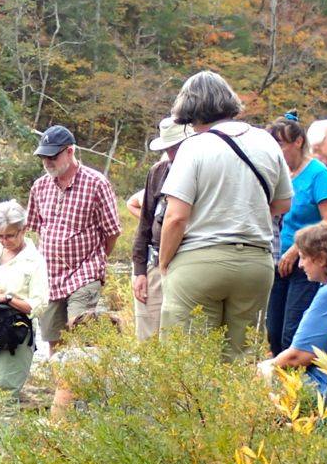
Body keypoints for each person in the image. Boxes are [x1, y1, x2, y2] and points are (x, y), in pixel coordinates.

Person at [157, 71, 293, 360]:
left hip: (200, 261)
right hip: (256, 263)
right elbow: (283, 203)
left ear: (190, 112)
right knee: (243, 358)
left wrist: (164, 262)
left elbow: (176, 217)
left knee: (189, 361)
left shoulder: (194, 147)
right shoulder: (266, 141)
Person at [26, 125, 122, 351]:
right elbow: (33, 229)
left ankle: (84, 382)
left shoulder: (96, 183)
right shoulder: (39, 187)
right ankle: (62, 386)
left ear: (70, 151)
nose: (47, 162)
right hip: (49, 276)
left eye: (52, 156)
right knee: (54, 340)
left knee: (80, 331)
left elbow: (112, 232)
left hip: (84, 273)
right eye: (43, 157)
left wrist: (97, 261)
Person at [260, 224, 327, 397]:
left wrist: (262, 370)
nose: (301, 265)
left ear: (321, 259)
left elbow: (298, 357)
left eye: (303, 258)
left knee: (266, 376)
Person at [265, 118, 327, 356]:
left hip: (305, 262)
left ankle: (299, 388)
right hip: (276, 261)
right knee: (273, 331)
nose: (276, 150)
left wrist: (296, 249)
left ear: (298, 142)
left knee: (293, 331)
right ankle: (277, 387)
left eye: (280, 143)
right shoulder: (278, 173)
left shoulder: (317, 172)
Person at [0, 200, 49, 398]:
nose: (4, 241)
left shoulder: (35, 261)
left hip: (16, 335)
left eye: (10, 236)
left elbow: (38, 306)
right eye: (0, 236)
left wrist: (6, 297)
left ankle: (5, 429)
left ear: (24, 230)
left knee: (4, 396)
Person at [131, 117, 194, 341]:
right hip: (155, 262)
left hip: (189, 261)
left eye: (175, 147)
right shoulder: (157, 171)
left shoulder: (201, 169)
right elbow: (145, 224)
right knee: (148, 337)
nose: (171, 154)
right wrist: (139, 271)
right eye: (168, 148)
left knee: (181, 335)